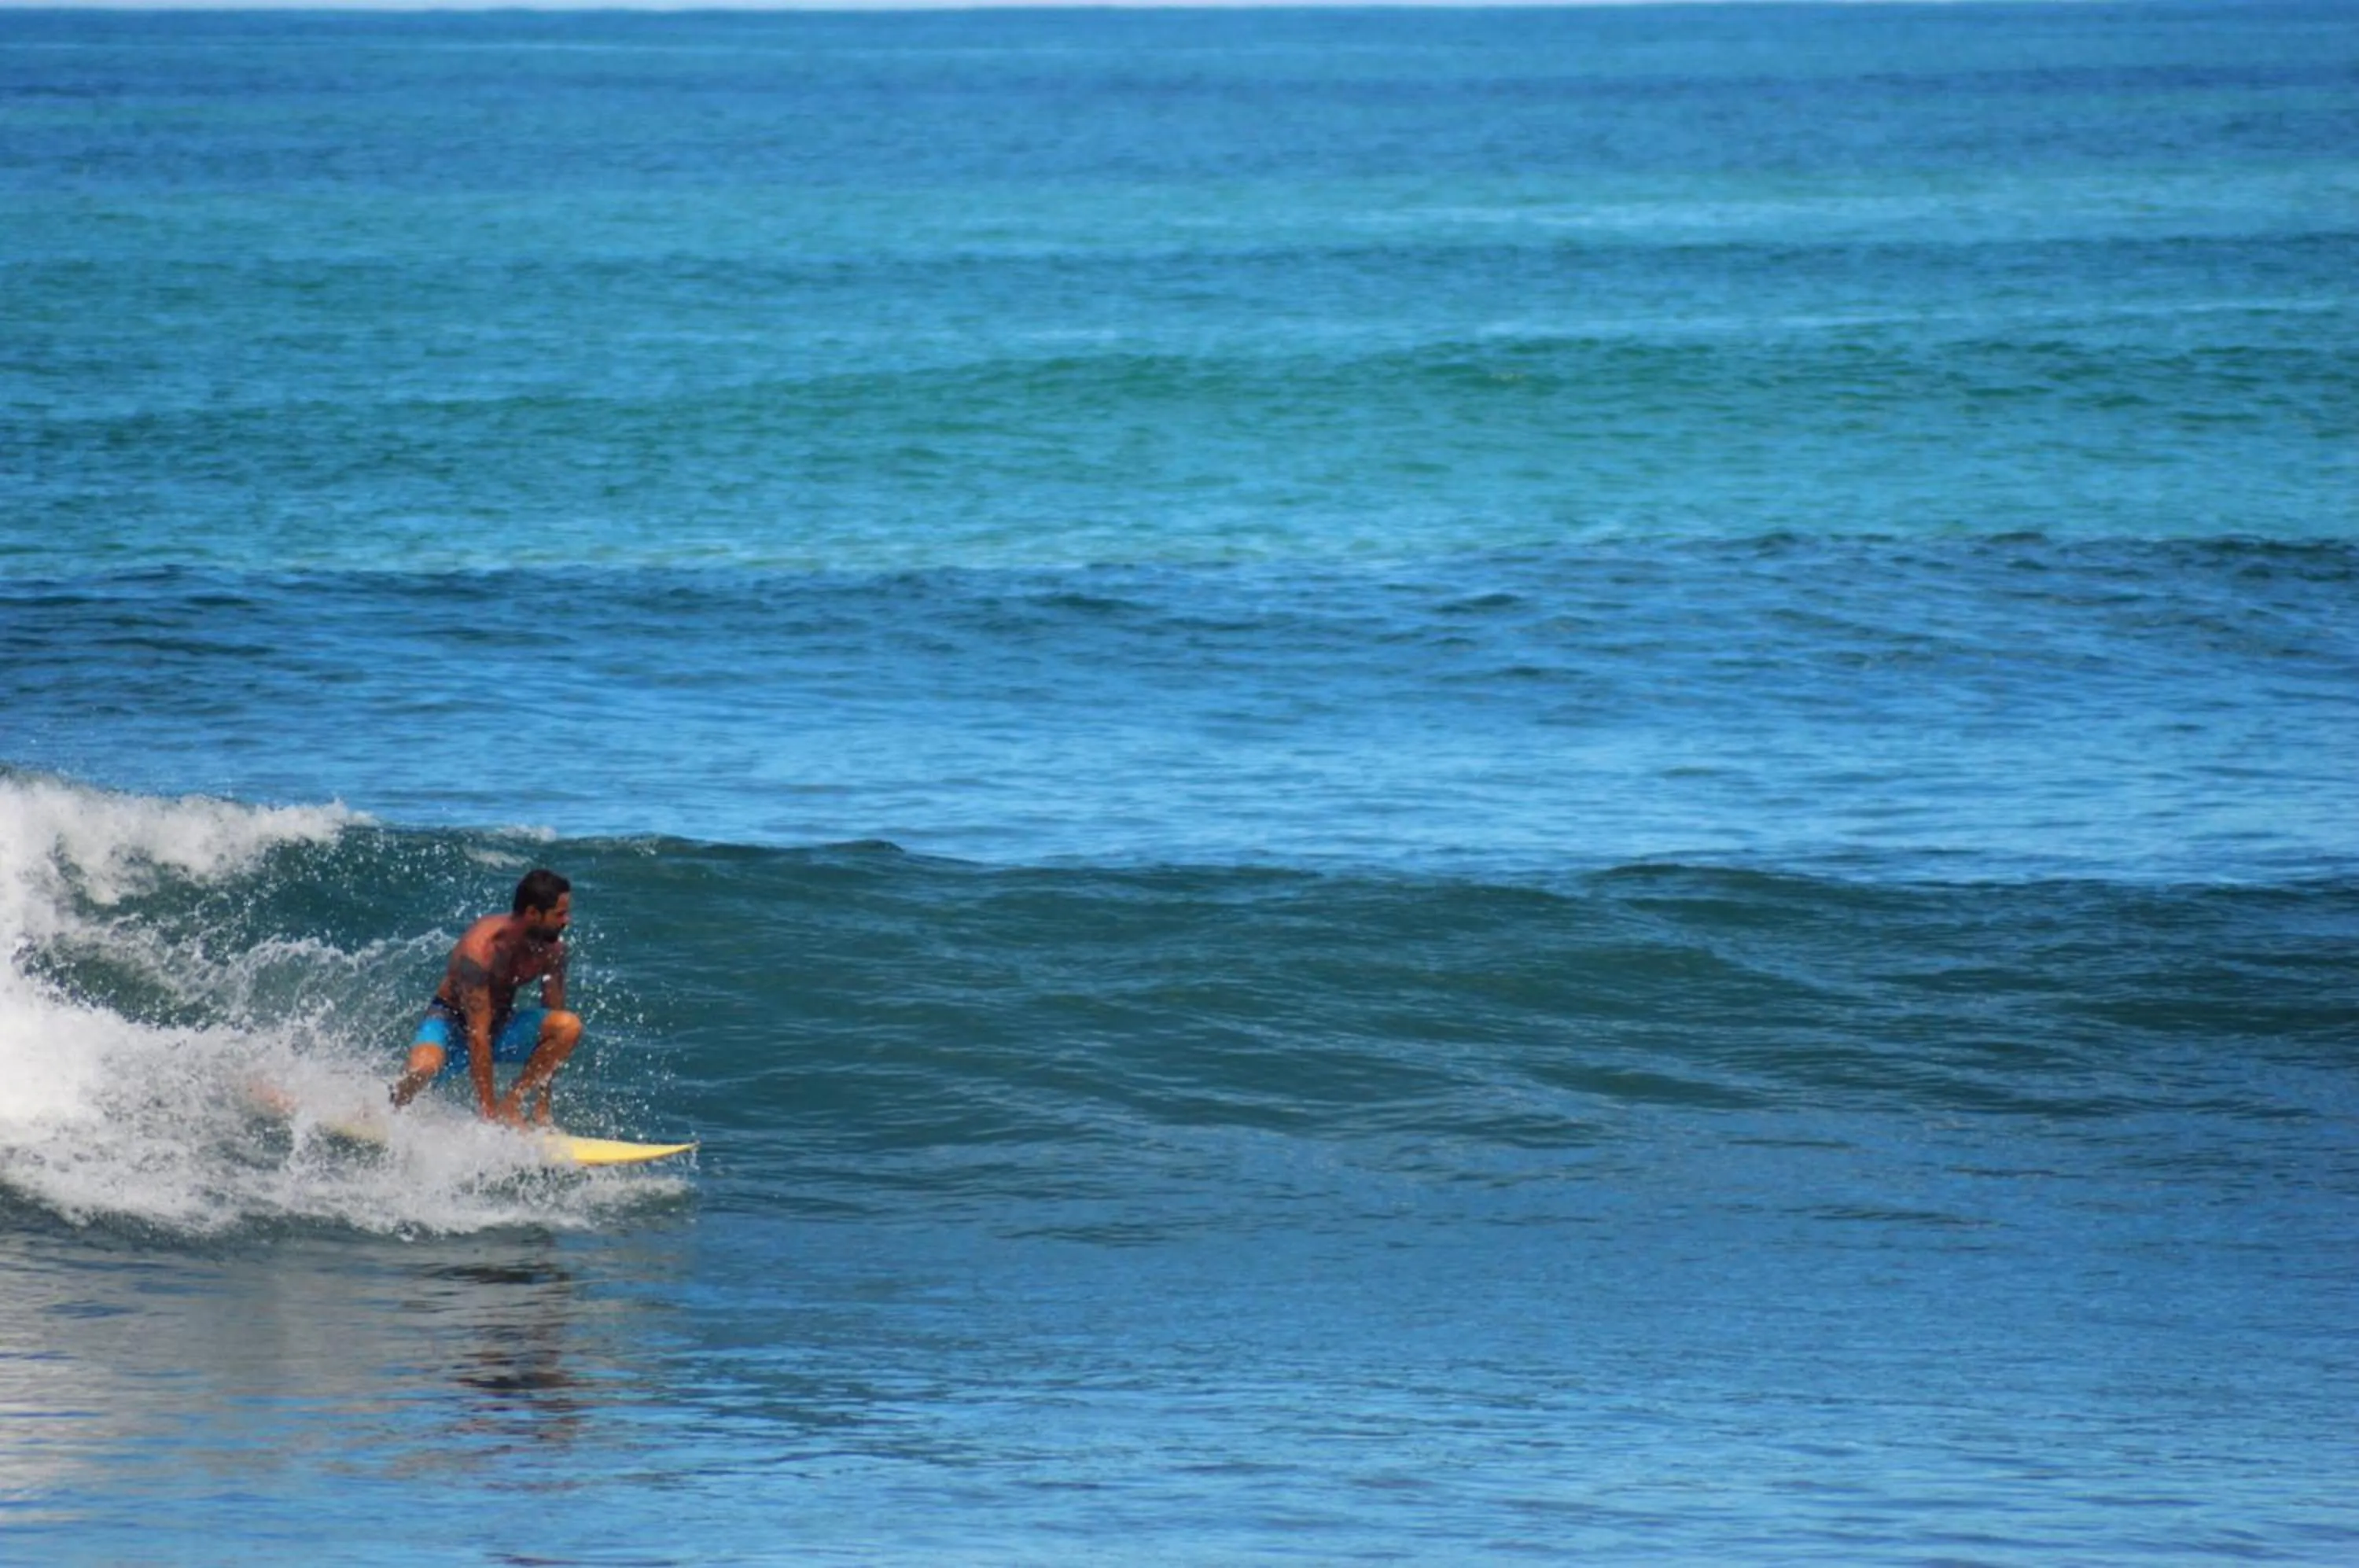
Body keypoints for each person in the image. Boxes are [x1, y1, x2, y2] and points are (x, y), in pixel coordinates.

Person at [391, 868, 584, 1126]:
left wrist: (542, 1106)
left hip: (499, 1026)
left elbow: (553, 1017)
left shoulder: (553, 951)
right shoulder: (480, 950)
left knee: (567, 1027)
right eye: (559, 914)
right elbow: (477, 1034)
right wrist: (487, 1117)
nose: (567, 920)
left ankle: (512, 1104)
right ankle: (389, 1112)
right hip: (448, 1022)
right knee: (421, 1071)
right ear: (532, 913)